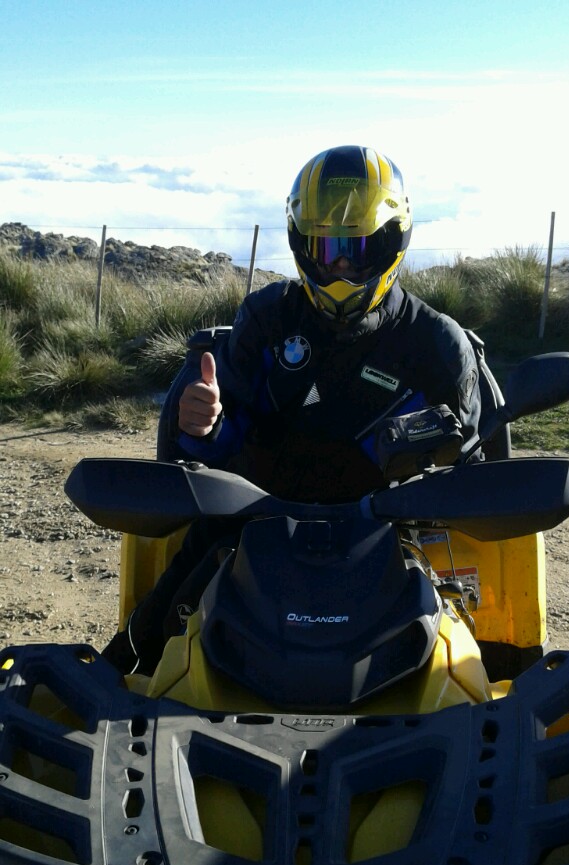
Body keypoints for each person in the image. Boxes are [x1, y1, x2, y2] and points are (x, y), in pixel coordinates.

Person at [103, 144, 483, 675]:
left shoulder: (437, 344)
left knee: (464, 670)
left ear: (393, 241)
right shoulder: (267, 318)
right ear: (301, 245)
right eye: (326, 249)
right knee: (136, 659)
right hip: (253, 524)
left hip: (390, 537)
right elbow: (217, 446)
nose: (341, 265)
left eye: (358, 247)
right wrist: (204, 424)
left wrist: (423, 452)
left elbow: (465, 477)